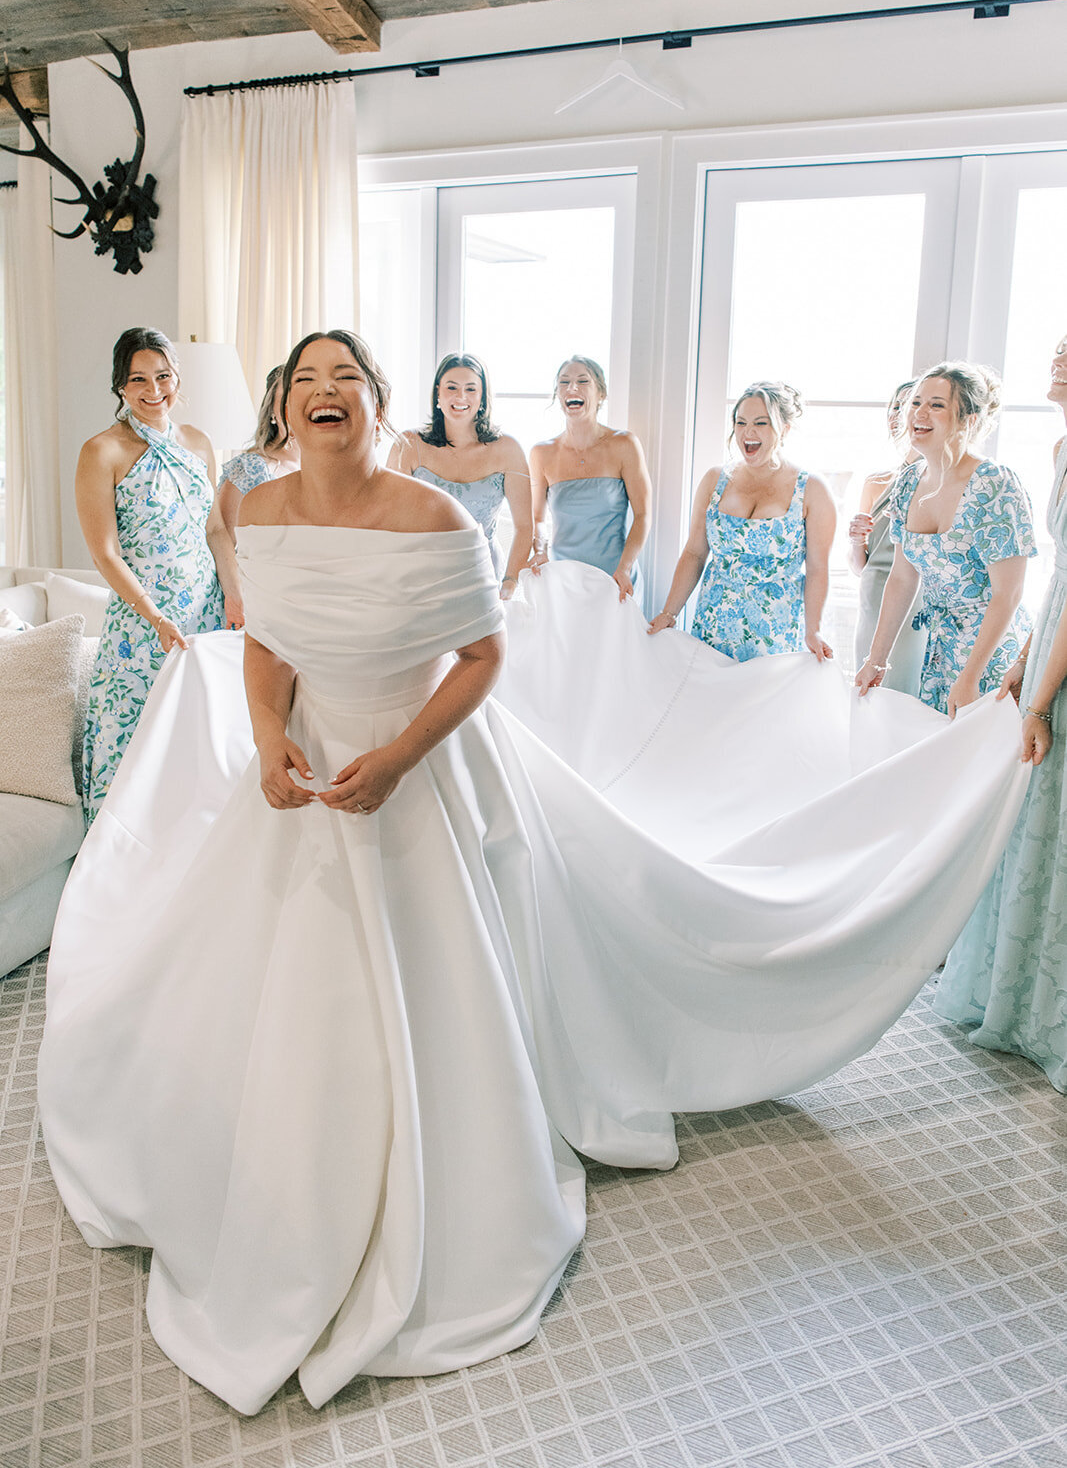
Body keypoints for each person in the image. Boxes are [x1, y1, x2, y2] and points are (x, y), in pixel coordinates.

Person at [40, 332, 1031, 1418]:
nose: (324, 393)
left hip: (415, 761)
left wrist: (403, 755)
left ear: (377, 405)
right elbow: (266, 641)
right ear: (284, 408)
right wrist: (269, 736)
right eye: (304, 381)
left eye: (345, 380)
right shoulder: (258, 510)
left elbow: (480, 656)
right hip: (300, 774)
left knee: (445, 980)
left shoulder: (429, 515)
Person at [935, 335, 1067, 1089]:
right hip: (1048, 648)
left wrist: (1041, 700)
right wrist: (1020, 669)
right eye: (1056, 348)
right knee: (1035, 833)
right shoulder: (1058, 446)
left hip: (1062, 670)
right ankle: (1016, 1003)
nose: (1057, 358)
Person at [75, 326, 225, 821]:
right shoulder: (102, 451)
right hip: (143, 626)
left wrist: (237, 598)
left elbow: (217, 531)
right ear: (120, 385)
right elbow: (105, 554)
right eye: (138, 379)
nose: (154, 390)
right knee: (135, 753)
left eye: (163, 376)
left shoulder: (200, 443)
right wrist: (154, 616)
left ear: (177, 377)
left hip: (206, 616)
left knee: (199, 748)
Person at [856, 362, 1035, 716]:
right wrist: (876, 661)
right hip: (938, 652)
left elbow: (1008, 593)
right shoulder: (908, 482)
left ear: (968, 418)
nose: (919, 414)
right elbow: (902, 578)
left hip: (993, 657)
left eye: (936, 405)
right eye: (916, 402)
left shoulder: (994, 485)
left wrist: (970, 676)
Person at [648, 381, 836, 660]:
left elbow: (818, 569)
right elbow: (694, 553)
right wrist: (669, 612)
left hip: (775, 634)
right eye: (740, 422)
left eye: (761, 423)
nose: (748, 432)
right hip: (713, 626)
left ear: (783, 429)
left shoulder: (811, 489)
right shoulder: (715, 480)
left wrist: (814, 630)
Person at [387, 352, 532, 599]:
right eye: (451, 387)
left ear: (483, 396)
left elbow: (524, 526)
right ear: (438, 394)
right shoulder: (409, 445)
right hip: (421, 579)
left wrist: (510, 582)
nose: (460, 397)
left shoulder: (508, 449)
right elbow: (390, 520)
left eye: (471, 389)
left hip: (483, 578)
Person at [529, 355, 651, 605]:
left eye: (582, 381)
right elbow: (538, 519)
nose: (572, 388)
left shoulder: (625, 445)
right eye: (564, 382)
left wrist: (625, 568)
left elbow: (643, 515)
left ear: (601, 394)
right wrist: (540, 552)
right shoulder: (542, 453)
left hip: (617, 580)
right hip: (565, 582)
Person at [206, 365, 299, 629]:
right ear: (272, 411)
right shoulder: (249, 468)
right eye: (287, 402)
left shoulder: (329, 472)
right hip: (257, 607)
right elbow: (222, 542)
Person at [848, 380, 926, 694]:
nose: (900, 414)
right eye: (896, 406)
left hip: (914, 596)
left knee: (903, 687)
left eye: (908, 406)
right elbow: (859, 566)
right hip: (871, 597)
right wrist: (855, 540)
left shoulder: (934, 480)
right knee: (867, 690)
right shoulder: (875, 482)